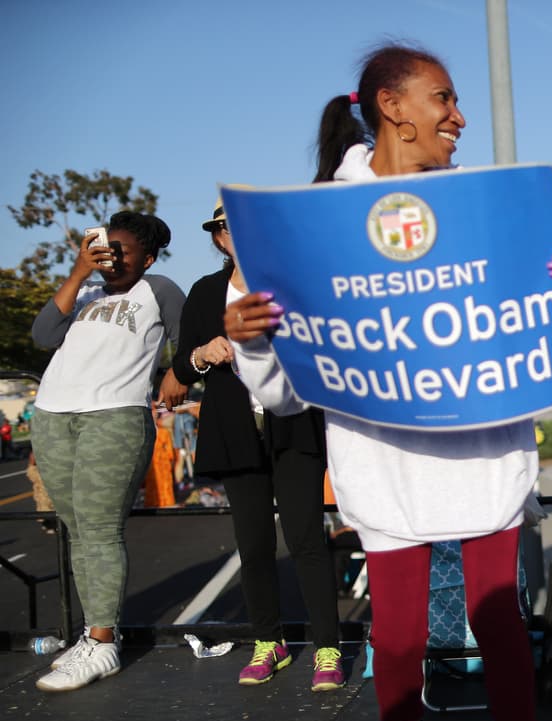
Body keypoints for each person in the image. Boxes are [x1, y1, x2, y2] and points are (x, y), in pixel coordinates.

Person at [226, 43, 552, 721]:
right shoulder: (309, 225)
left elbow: (539, 338)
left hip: (482, 463)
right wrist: (252, 338)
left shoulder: (489, 209)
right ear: (392, 107)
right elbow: (283, 392)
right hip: (384, 469)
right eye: (443, 97)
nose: (458, 115)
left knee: (499, 624)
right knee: (394, 636)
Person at [170, 200, 343, 692]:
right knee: (253, 545)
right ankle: (269, 642)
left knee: (307, 541)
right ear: (218, 238)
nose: (234, 233)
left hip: (295, 425)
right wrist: (203, 353)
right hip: (234, 430)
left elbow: (328, 345)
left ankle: (328, 647)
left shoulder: (294, 284)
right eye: (224, 227)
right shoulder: (205, 292)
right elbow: (180, 366)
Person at [29, 211, 184, 692]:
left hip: (113, 415)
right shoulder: (86, 293)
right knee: (77, 531)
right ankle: (91, 635)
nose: (111, 258)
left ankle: (103, 641)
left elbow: (188, 340)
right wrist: (78, 273)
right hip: (52, 415)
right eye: (105, 249)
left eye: (123, 251)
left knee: (99, 529)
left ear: (148, 258)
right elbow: (42, 336)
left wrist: (178, 374)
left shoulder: (158, 289)